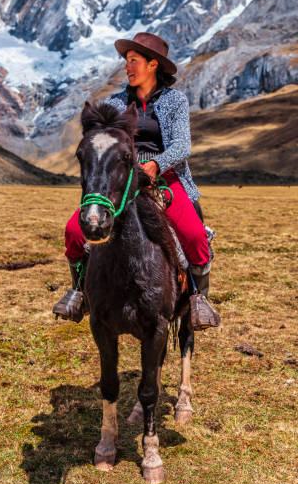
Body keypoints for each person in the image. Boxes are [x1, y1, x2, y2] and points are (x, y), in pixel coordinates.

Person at [53, 32, 218, 328]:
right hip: (122, 181)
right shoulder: (114, 104)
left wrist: (157, 163)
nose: (127, 67)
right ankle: (80, 291)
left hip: (165, 181)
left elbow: (182, 146)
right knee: (74, 231)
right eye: (126, 62)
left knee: (194, 235)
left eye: (133, 61)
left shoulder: (175, 101)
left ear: (153, 65)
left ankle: (197, 297)